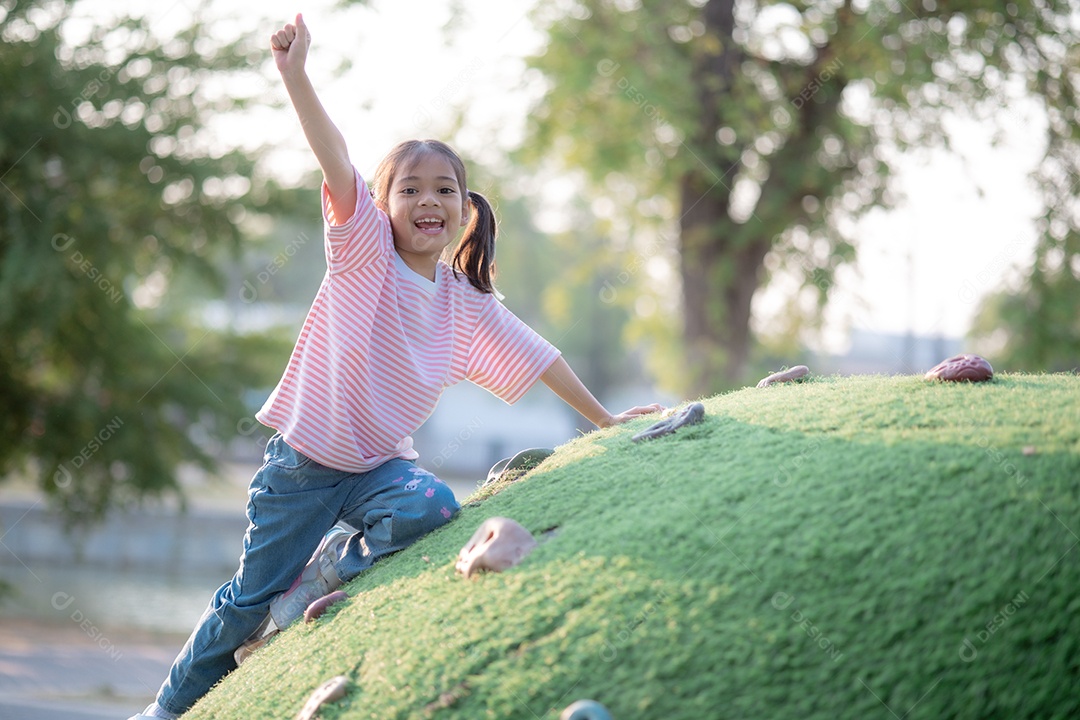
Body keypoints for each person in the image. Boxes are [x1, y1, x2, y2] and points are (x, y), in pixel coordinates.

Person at [128, 13, 662, 719]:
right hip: (303, 468)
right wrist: (295, 76)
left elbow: (539, 355)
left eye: (445, 189)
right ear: (381, 207)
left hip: (380, 467)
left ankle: (324, 573)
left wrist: (603, 420)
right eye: (409, 188)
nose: (427, 200)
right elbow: (335, 156)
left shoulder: (463, 300)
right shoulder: (364, 254)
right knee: (245, 601)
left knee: (432, 507)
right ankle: (166, 710)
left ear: (465, 212)